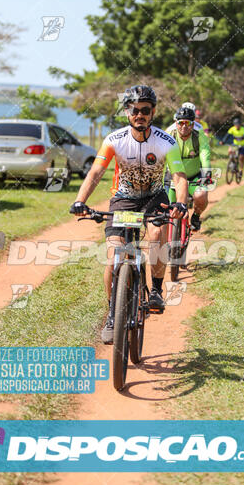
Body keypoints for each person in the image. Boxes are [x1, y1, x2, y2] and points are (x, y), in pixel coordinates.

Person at [69, 85, 188, 343]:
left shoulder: (166, 141)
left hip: (154, 198)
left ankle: (155, 290)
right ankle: (113, 313)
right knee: (113, 257)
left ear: (153, 112)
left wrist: (180, 203)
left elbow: (179, 177)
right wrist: (80, 200)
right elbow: (95, 173)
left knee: (156, 233)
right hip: (123, 200)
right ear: (127, 112)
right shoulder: (114, 140)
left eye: (145, 110)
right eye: (135, 110)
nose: (140, 115)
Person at [165, 105, 211, 231]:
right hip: (173, 177)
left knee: (201, 195)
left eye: (188, 123)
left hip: (193, 176)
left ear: (193, 124)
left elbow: (204, 153)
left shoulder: (198, 134)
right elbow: (162, 156)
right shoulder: (169, 134)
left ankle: (196, 216)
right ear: (176, 123)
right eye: (181, 123)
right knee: (166, 207)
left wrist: (207, 171)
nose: (184, 126)